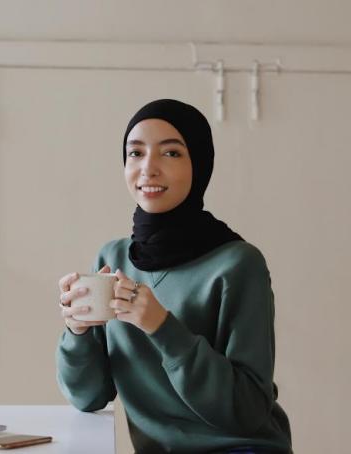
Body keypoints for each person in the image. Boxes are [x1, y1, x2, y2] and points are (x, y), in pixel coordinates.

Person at [56, 99, 292, 453]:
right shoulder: (112, 258)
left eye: (171, 154)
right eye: (135, 153)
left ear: (199, 164)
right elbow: (88, 397)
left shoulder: (239, 264)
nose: (148, 169)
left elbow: (248, 409)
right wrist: (78, 330)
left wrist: (162, 327)